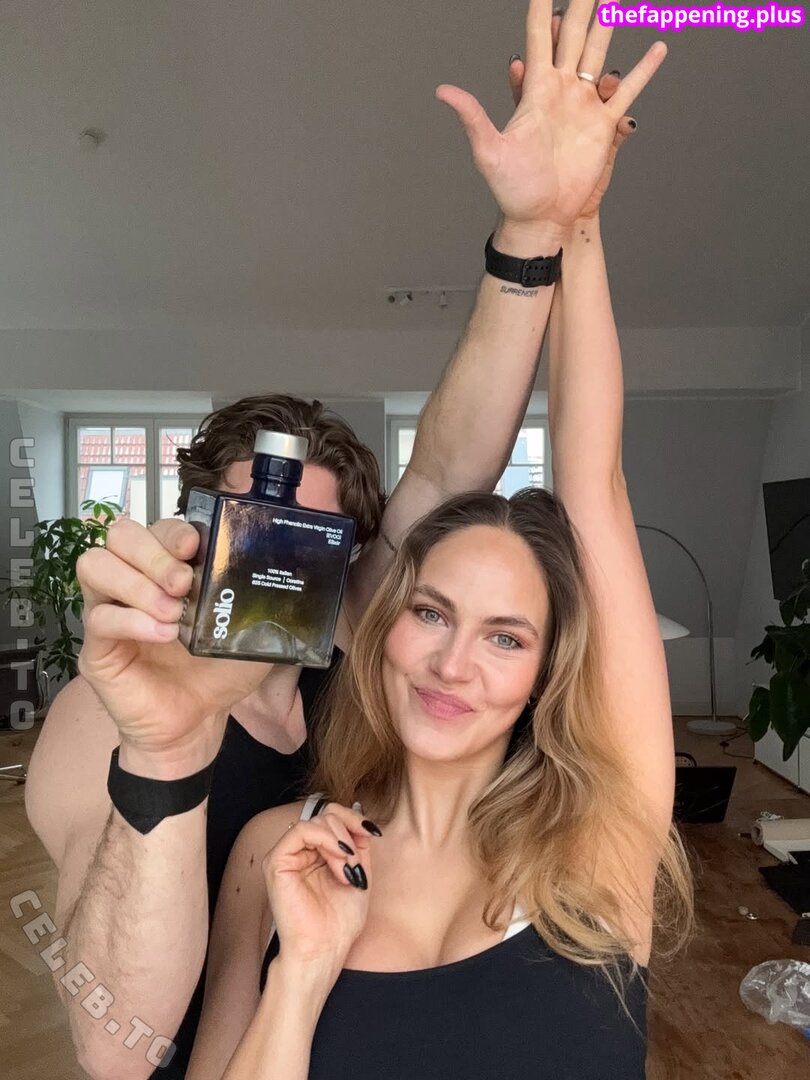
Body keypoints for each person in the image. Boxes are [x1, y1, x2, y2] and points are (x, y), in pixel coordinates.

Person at [25, 0, 663, 1076]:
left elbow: (460, 472)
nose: (273, 558)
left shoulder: (361, 636)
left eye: (309, 536)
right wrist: (167, 756)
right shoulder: (112, 717)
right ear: (191, 525)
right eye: (248, 524)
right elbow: (117, 1050)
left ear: (353, 560)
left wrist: (539, 233)